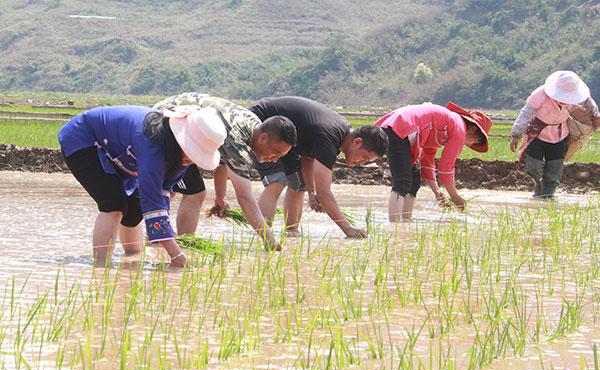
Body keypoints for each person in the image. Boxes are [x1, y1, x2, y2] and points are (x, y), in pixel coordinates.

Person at [58, 105, 227, 266]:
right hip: (84, 139)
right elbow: (152, 202)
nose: (191, 160)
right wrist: (175, 253)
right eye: (192, 152)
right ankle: (102, 268)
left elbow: (163, 191)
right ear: (182, 140)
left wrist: (165, 231)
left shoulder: (180, 157)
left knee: (134, 209)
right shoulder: (153, 145)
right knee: (113, 203)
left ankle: (132, 258)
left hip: (118, 150)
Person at [153, 92, 297, 249]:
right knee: (192, 192)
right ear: (263, 138)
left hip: (180, 124)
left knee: (171, 189)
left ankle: (165, 241)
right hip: (168, 125)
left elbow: (222, 157)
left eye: (280, 156)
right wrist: (269, 240)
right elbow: (245, 198)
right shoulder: (239, 144)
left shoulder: (254, 125)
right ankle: (178, 245)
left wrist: (220, 196)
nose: (275, 159)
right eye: (275, 152)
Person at [250, 96, 388, 238]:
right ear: (357, 142)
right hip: (264, 122)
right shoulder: (330, 137)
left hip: (288, 140)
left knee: (299, 184)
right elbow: (324, 194)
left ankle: (291, 233)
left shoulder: (339, 134)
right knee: (277, 181)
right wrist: (348, 229)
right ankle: (260, 236)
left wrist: (311, 192)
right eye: (364, 158)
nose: (362, 163)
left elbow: (307, 158)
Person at [375, 102, 492, 221]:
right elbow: (446, 166)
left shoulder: (446, 126)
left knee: (414, 180)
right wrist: (455, 197)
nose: (472, 144)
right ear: (472, 129)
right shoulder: (459, 129)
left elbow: (427, 161)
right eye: (477, 141)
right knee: (403, 181)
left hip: (398, 126)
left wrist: (437, 192)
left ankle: (406, 220)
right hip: (401, 127)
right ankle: (394, 226)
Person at [510, 71, 599, 199]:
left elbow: (590, 105)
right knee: (533, 166)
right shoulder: (540, 94)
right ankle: (538, 183)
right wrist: (516, 134)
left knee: (555, 168)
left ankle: (548, 194)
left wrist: (595, 116)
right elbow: (526, 113)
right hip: (538, 134)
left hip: (559, 135)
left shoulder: (575, 97)